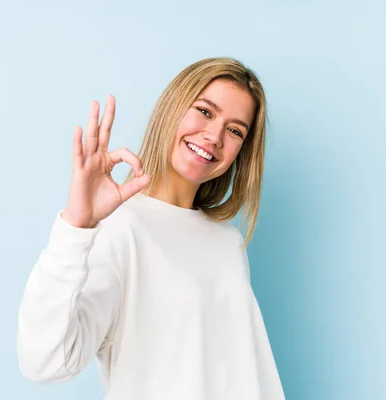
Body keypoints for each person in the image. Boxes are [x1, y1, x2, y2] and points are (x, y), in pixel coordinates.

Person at [17, 57, 286, 399]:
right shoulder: (120, 227)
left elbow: (246, 373)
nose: (214, 136)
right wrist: (76, 227)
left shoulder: (226, 242)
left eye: (235, 130)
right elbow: (46, 363)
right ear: (172, 107)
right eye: (205, 111)